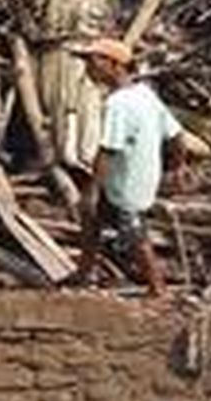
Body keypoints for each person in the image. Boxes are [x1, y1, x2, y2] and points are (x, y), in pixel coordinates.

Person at [69, 37, 187, 297]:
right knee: (91, 220)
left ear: (114, 65)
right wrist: (179, 166)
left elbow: (108, 150)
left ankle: (157, 287)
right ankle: (84, 273)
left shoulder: (118, 104)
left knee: (134, 234)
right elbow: (176, 135)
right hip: (138, 177)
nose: (88, 68)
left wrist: (91, 190)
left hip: (124, 182)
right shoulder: (145, 95)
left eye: (92, 61)